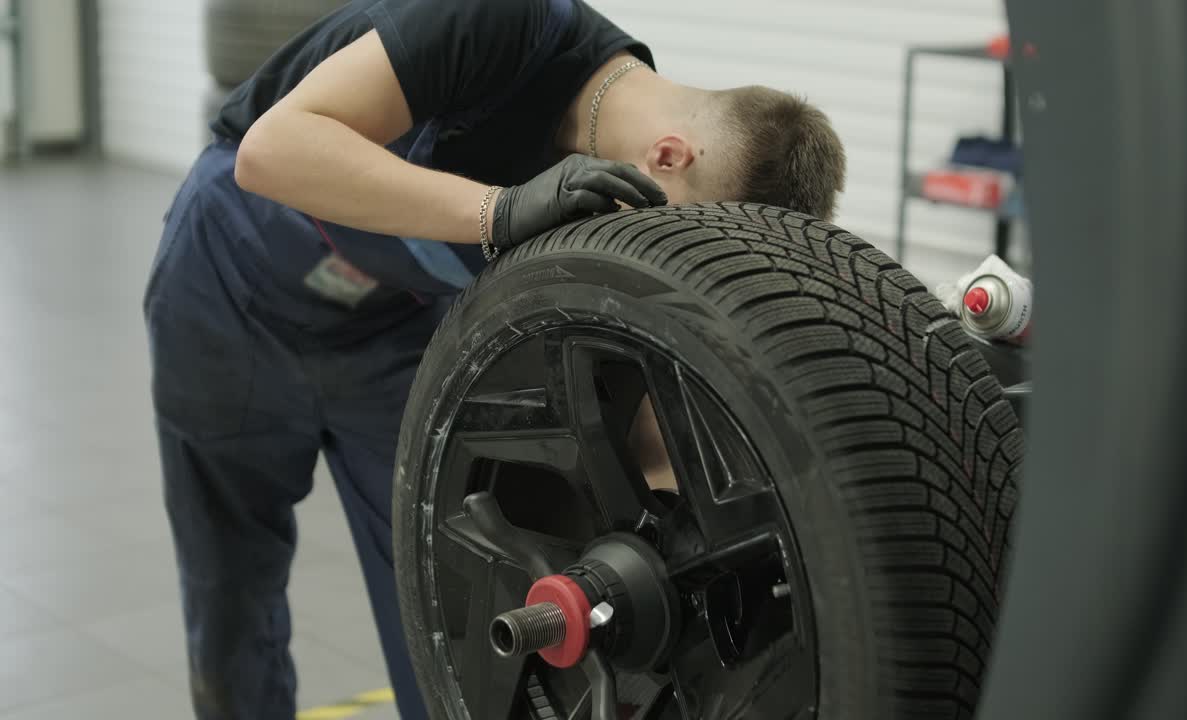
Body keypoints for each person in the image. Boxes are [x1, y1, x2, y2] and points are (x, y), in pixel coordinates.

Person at [142, 0, 847, 718]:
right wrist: (499, 212)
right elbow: (273, 152)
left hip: (395, 329)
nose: (661, 254)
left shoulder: (628, 179)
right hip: (233, 288)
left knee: (444, 606)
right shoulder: (500, 19)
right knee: (231, 589)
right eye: (675, 234)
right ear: (668, 156)